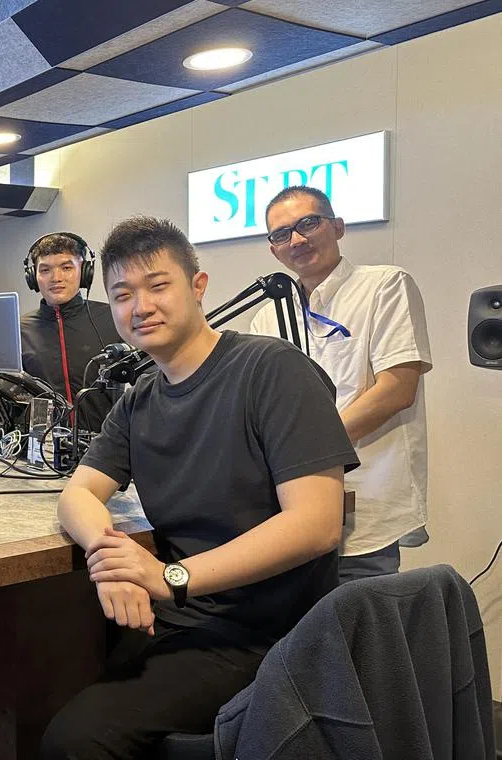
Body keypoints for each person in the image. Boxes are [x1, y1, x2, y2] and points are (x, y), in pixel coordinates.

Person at [40, 217, 358, 759]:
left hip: (265, 637)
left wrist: (169, 577)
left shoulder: (273, 370)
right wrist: (109, 554)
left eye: (158, 286)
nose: (140, 307)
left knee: (74, 741)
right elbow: (77, 495)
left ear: (198, 286)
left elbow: (316, 523)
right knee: (41, 678)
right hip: (180, 622)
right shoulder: (140, 399)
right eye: (122, 295)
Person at [249, 185, 431, 583]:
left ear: (338, 227)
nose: (296, 239)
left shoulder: (384, 286)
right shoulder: (267, 318)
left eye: (307, 223)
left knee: (362, 639)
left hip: (365, 508)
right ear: (273, 250)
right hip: (288, 515)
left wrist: (310, 451)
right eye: (282, 234)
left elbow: (398, 389)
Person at [0, 232, 120, 439]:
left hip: (108, 448)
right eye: (45, 270)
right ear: (33, 277)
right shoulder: (19, 329)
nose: (56, 278)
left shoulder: (114, 318)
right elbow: (7, 394)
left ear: (84, 271)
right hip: (46, 451)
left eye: (67, 268)